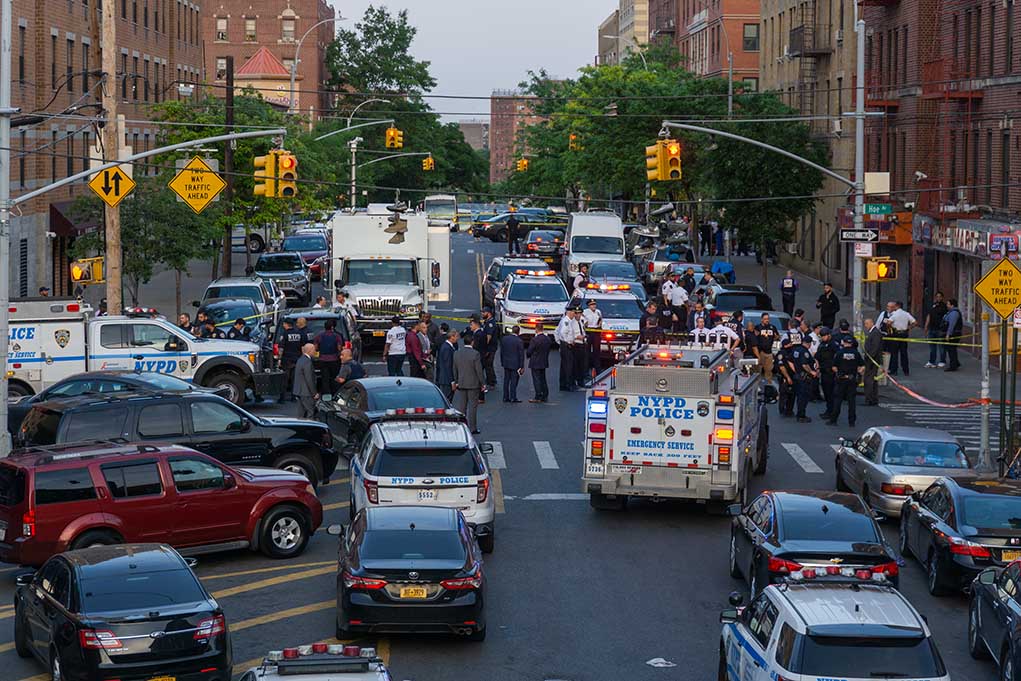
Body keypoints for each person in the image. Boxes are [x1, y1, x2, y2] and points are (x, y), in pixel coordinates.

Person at [827, 336, 865, 426]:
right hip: (852, 380)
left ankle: (834, 420)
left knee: (838, 400)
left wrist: (839, 372)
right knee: (851, 401)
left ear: (843, 342)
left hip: (841, 379)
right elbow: (862, 366)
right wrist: (858, 372)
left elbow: (834, 367)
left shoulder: (839, 353)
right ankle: (851, 422)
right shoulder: (856, 353)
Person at [452, 334, 485, 434]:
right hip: (473, 384)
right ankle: (473, 428)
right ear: (472, 342)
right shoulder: (475, 354)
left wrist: (456, 381)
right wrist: (482, 383)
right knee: (472, 407)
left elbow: (455, 369)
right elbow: (478, 370)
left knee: (462, 406)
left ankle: (462, 426)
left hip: (461, 383)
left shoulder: (457, 353)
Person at [788, 336, 819, 423]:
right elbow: (804, 365)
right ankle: (801, 415)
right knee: (803, 397)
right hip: (804, 378)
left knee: (799, 396)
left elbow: (789, 360)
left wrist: (795, 370)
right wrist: (812, 372)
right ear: (808, 343)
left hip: (798, 376)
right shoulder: (805, 352)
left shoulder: (796, 350)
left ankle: (800, 414)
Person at [884, 300, 916, 376]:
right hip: (904, 334)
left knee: (894, 353)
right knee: (904, 353)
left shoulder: (895, 314)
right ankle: (906, 371)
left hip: (896, 334)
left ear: (897, 306)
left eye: (894, 306)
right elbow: (914, 322)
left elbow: (888, 322)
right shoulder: (906, 314)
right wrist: (909, 328)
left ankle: (894, 370)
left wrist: (890, 327)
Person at [555, 307, 584, 391]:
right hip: (567, 345)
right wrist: (568, 342)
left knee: (564, 366)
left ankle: (563, 384)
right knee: (568, 366)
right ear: (570, 312)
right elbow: (562, 333)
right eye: (574, 312)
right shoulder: (566, 321)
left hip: (565, 344)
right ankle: (568, 385)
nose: (575, 314)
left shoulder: (567, 321)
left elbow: (556, 332)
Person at [278, 318, 306, 403]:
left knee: (284, 379)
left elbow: (281, 348)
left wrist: (279, 358)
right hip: (296, 358)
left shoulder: (285, 334)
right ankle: (294, 397)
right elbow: (302, 347)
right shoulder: (299, 333)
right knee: (295, 378)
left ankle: (282, 398)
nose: (283, 325)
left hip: (287, 359)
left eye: (284, 324)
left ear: (286, 324)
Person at [313, 319, 344, 394]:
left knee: (325, 378)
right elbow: (339, 348)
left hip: (323, 360)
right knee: (334, 378)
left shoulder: (319, 336)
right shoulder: (337, 336)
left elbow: (316, 348)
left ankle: (326, 394)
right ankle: (334, 393)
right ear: (332, 327)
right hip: (334, 360)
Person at [815, 327, 838, 420]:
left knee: (831, 393)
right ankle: (829, 410)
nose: (823, 338)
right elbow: (818, 356)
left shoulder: (833, 345)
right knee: (826, 392)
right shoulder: (822, 344)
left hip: (831, 372)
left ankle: (832, 412)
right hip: (824, 371)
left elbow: (838, 356)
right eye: (822, 336)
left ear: (829, 335)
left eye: (824, 336)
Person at [499, 325, 526, 402]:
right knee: (514, 381)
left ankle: (505, 397)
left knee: (506, 380)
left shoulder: (504, 339)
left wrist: (502, 361)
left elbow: (502, 352)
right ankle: (513, 397)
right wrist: (522, 366)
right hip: (515, 364)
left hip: (506, 362)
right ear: (519, 332)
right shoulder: (519, 341)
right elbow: (521, 355)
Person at [527, 323, 553, 403]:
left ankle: (538, 396)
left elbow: (529, 351)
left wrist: (528, 355)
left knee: (536, 380)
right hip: (544, 361)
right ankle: (545, 394)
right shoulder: (547, 339)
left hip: (535, 362)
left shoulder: (535, 340)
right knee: (543, 379)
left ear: (536, 329)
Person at [293, 343, 318, 418]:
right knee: (310, 412)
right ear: (310, 350)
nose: (315, 351)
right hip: (306, 392)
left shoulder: (300, 359)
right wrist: (314, 393)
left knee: (301, 413)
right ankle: (310, 428)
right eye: (314, 350)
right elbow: (309, 379)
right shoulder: (308, 362)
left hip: (299, 391)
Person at [924, 291, 949, 368]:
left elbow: (946, 318)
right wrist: (926, 327)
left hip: (940, 329)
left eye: (940, 296)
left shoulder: (944, 307)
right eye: (937, 296)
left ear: (942, 297)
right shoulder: (933, 306)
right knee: (932, 346)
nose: (938, 298)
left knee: (941, 346)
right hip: (932, 328)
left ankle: (942, 361)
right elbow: (929, 316)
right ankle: (932, 361)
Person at [862, 317, 883, 405]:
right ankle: (873, 399)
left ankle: (870, 399)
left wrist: (869, 359)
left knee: (868, 380)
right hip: (872, 360)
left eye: (866, 324)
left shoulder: (875, 333)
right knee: (871, 379)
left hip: (872, 361)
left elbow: (874, 348)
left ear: (871, 323)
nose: (865, 326)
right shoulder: (873, 333)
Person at [582, 299, 604, 379]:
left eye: (594, 304)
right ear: (588, 305)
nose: (593, 306)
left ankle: (598, 370)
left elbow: (600, 320)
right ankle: (586, 372)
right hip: (588, 332)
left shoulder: (598, 311)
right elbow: (584, 322)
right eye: (592, 304)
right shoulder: (585, 312)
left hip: (596, 332)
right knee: (587, 353)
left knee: (596, 351)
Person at [755, 313, 780, 381]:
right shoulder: (758, 327)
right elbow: (754, 337)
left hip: (769, 351)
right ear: (761, 320)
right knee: (758, 369)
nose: (767, 320)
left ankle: (769, 384)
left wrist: (774, 338)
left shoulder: (772, 327)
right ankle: (757, 383)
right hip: (760, 351)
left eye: (768, 319)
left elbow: (777, 336)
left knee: (769, 369)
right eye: (765, 319)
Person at [436, 330, 459, 401]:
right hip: (447, 380)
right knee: (447, 400)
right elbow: (448, 366)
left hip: (445, 379)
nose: (457, 338)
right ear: (452, 337)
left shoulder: (447, 346)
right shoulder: (447, 348)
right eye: (456, 336)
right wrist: (452, 381)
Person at [775, 338, 795, 417]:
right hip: (784, 377)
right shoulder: (782, 354)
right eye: (790, 344)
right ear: (786, 345)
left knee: (792, 394)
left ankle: (789, 410)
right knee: (784, 394)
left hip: (791, 376)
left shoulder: (790, 352)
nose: (791, 345)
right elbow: (781, 367)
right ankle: (783, 410)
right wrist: (787, 377)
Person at [480, 308, 499, 388]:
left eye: (484, 312)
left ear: (489, 313)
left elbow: (488, 337)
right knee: (487, 364)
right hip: (489, 348)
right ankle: (491, 380)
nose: (482, 314)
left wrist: (484, 348)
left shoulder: (490, 323)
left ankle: (491, 382)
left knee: (488, 364)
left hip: (490, 348)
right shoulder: (487, 322)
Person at [943, 298, 963, 372]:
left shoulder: (954, 313)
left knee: (951, 349)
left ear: (952, 305)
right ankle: (956, 362)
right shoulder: (951, 312)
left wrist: (948, 334)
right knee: (951, 349)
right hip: (954, 333)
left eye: (948, 304)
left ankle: (953, 365)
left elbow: (951, 325)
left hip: (954, 334)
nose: (947, 305)